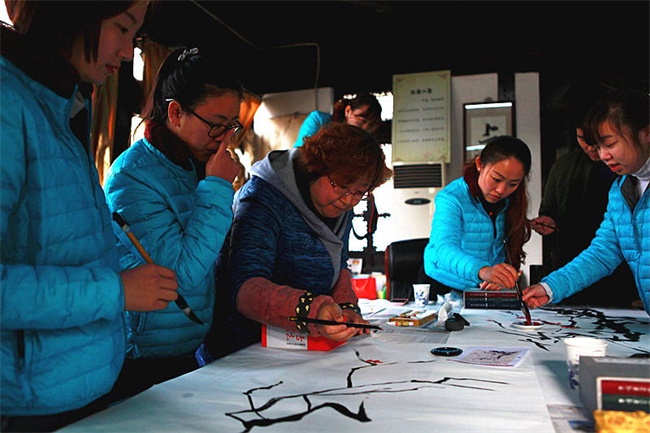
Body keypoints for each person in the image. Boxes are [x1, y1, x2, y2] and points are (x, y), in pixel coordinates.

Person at [0, 2, 180, 432]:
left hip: (76, 386)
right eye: (122, 27)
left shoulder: (63, 107)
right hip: (26, 404)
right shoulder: (9, 104)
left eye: (135, 36)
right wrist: (116, 290)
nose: (128, 51)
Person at [102, 47, 243, 402]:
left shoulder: (194, 165)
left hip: (185, 347)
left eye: (232, 126)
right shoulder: (133, 177)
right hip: (139, 359)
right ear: (175, 112)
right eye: (217, 125)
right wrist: (217, 187)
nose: (225, 139)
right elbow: (181, 275)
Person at [198, 123, 392, 363]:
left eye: (359, 192)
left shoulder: (339, 204)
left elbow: (338, 266)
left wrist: (346, 309)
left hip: (305, 347)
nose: (348, 200)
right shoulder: (263, 198)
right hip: (244, 351)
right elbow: (245, 289)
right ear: (315, 168)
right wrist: (313, 310)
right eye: (340, 186)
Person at [523, 90, 649, 314]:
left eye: (609, 144)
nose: (603, 155)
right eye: (598, 147)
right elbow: (603, 253)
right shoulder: (620, 191)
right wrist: (550, 287)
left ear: (646, 133)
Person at [423, 135, 532, 295]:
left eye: (513, 184)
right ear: (480, 164)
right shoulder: (452, 198)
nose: (501, 190)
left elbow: (504, 250)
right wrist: (484, 270)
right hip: (443, 284)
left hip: (482, 286)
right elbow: (444, 249)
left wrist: (500, 277)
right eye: (496, 179)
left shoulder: (512, 201)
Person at [292, 92, 382, 147]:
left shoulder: (364, 144)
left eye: (371, 125)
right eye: (362, 120)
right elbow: (302, 153)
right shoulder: (319, 120)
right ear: (348, 111)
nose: (365, 127)